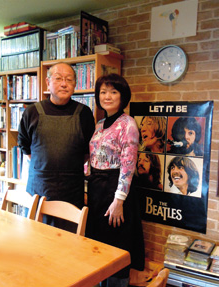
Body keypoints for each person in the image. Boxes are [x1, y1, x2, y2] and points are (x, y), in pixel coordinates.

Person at [18, 62, 95, 230]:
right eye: (58, 78)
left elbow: (88, 151)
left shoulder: (84, 113)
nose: (64, 83)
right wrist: (44, 165)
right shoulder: (32, 112)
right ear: (47, 82)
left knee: (69, 241)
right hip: (39, 187)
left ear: (75, 84)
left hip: (71, 189)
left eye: (69, 79)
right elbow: (24, 146)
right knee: (36, 237)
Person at [86, 73, 145, 287]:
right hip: (96, 190)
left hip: (116, 191)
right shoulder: (100, 123)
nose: (107, 96)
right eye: (103, 92)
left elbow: (128, 164)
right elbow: (95, 155)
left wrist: (119, 200)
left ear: (123, 96)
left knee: (117, 244)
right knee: (98, 245)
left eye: (113, 91)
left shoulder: (127, 124)